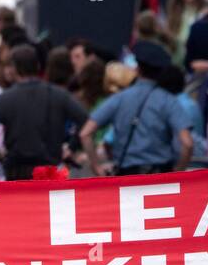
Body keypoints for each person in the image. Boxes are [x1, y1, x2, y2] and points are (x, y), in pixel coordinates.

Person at [79, 41, 193, 176]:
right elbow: (187, 143)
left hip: (127, 177)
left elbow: (85, 133)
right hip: (160, 178)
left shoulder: (120, 98)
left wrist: (96, 167)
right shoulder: (168, 101)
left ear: (137, 69)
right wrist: (177, 173)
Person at [0, 44, 88, 180]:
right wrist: (72, 147)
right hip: (50, 169)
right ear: (38, 66)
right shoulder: (58, 95)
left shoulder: (5, 98)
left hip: (17, 170)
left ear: (14, 69)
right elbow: (84, 120)